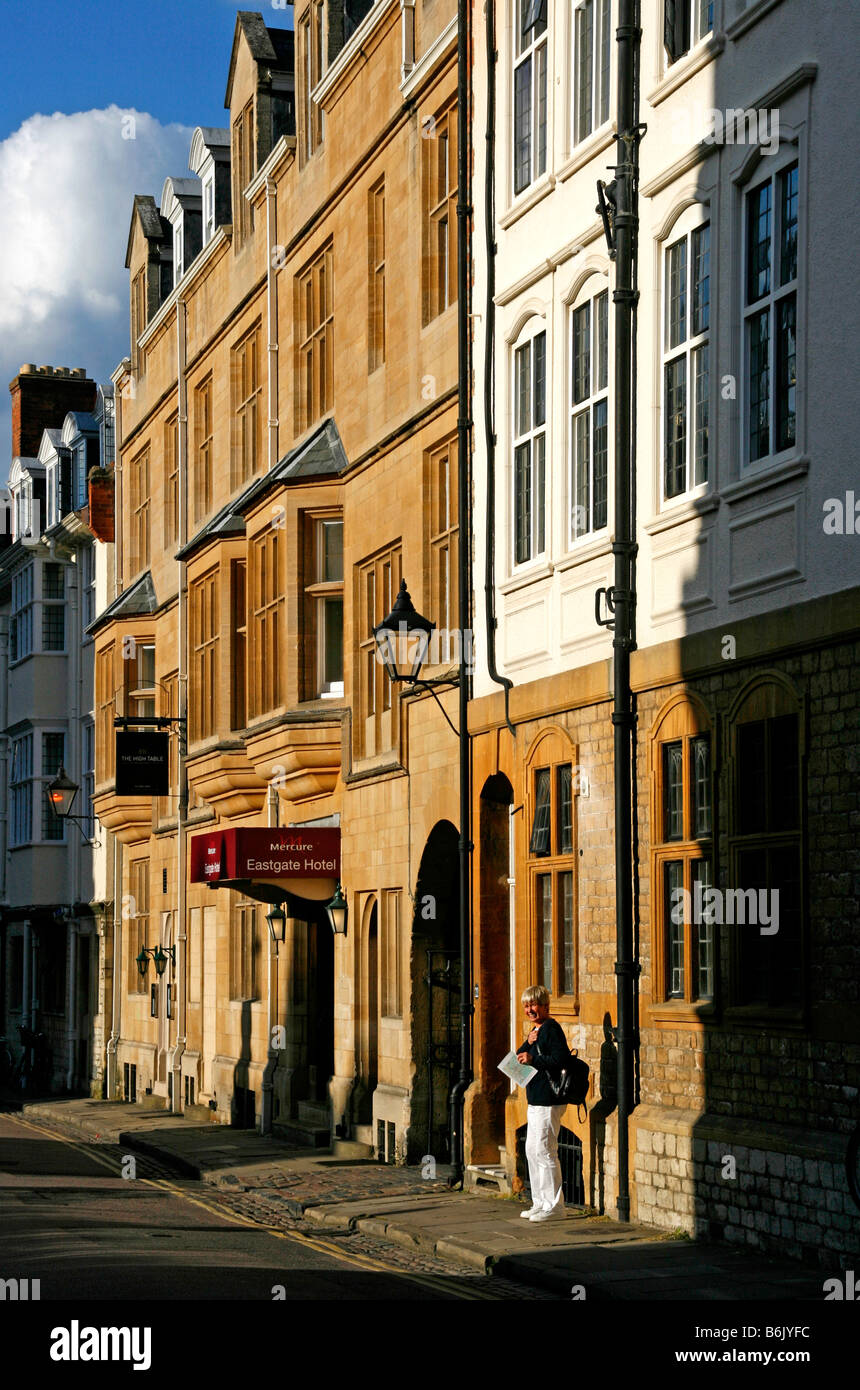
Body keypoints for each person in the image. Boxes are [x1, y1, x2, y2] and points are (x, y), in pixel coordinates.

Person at [516, 984, 570, 1221]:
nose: (530, 1009)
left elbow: (560, 1059)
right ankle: (540, 1202)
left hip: (549, 1099)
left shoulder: (552, 1029)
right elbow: (520, 1058)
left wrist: (534, 1058)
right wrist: (528, 1042)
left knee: (545, 1151)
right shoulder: (537, 1030)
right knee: (532, 1150)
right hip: (535, 1099)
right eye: (526, 1006)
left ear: (545, 1005)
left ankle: (555, 1206)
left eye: (533, 1005)